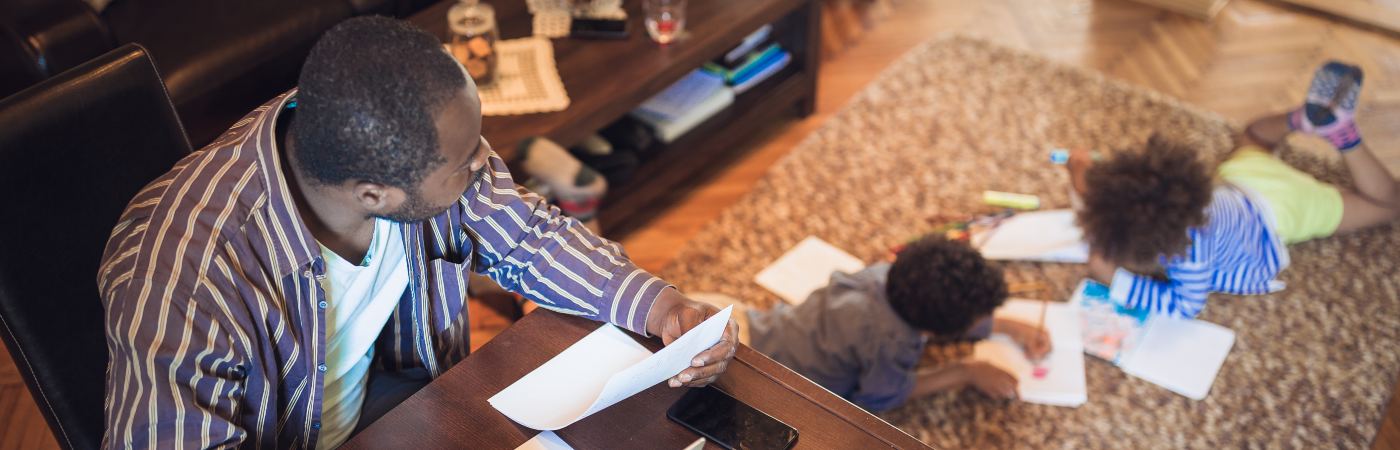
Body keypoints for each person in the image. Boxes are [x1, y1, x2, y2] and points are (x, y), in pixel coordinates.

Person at [96, 17, 737, 449]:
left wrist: (662, 306)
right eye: (465, 167)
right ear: (374, 195)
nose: (484, 168)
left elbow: (527, 238)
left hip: (407, 403)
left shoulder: (374, 138)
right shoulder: (183, 271)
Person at [1066, 61, 1399, 318]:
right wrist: (1079, 171)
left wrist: (1116, 279)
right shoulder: (1164, 198)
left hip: (1284, 209)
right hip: (1243, 177)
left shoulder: (1188, 257)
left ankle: (1343, 135)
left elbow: (1185, 305)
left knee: (1386, 205)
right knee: (1254, 136)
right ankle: (1303, 121)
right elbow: (1102, 197)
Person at [698, 235, 1050, 412]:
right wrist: (966, 372)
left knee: (701, 309)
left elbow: (944, 310)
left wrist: (1005, 325)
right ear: (934, 332)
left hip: (755, 324)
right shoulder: (892, 342)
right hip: (762, 378)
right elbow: (883, 396)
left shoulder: (883, 275)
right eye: (979, 319)